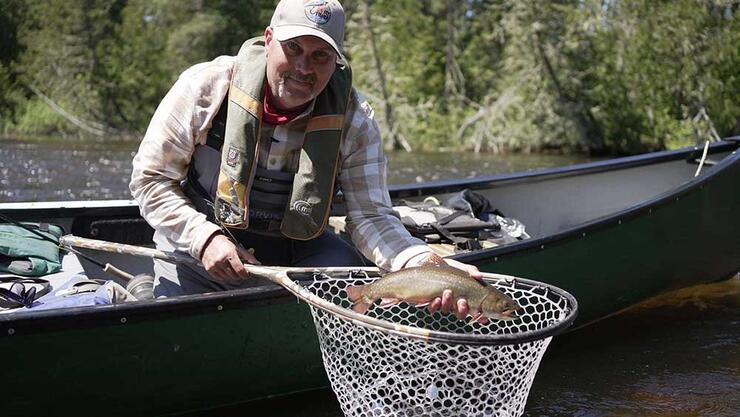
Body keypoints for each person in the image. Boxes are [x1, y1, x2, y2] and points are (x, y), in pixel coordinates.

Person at [129, 0, 480, 318]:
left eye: (320, 56)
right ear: (268, 41)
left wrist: (429, 267)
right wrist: (204, 238)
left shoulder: (355, 120)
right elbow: (150, 181)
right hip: (198, 256)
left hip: (298, 257)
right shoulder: (204, 87)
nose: (302, 67)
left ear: (337, 61)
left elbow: (372, 216)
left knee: (346, 270)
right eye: (292, 48)